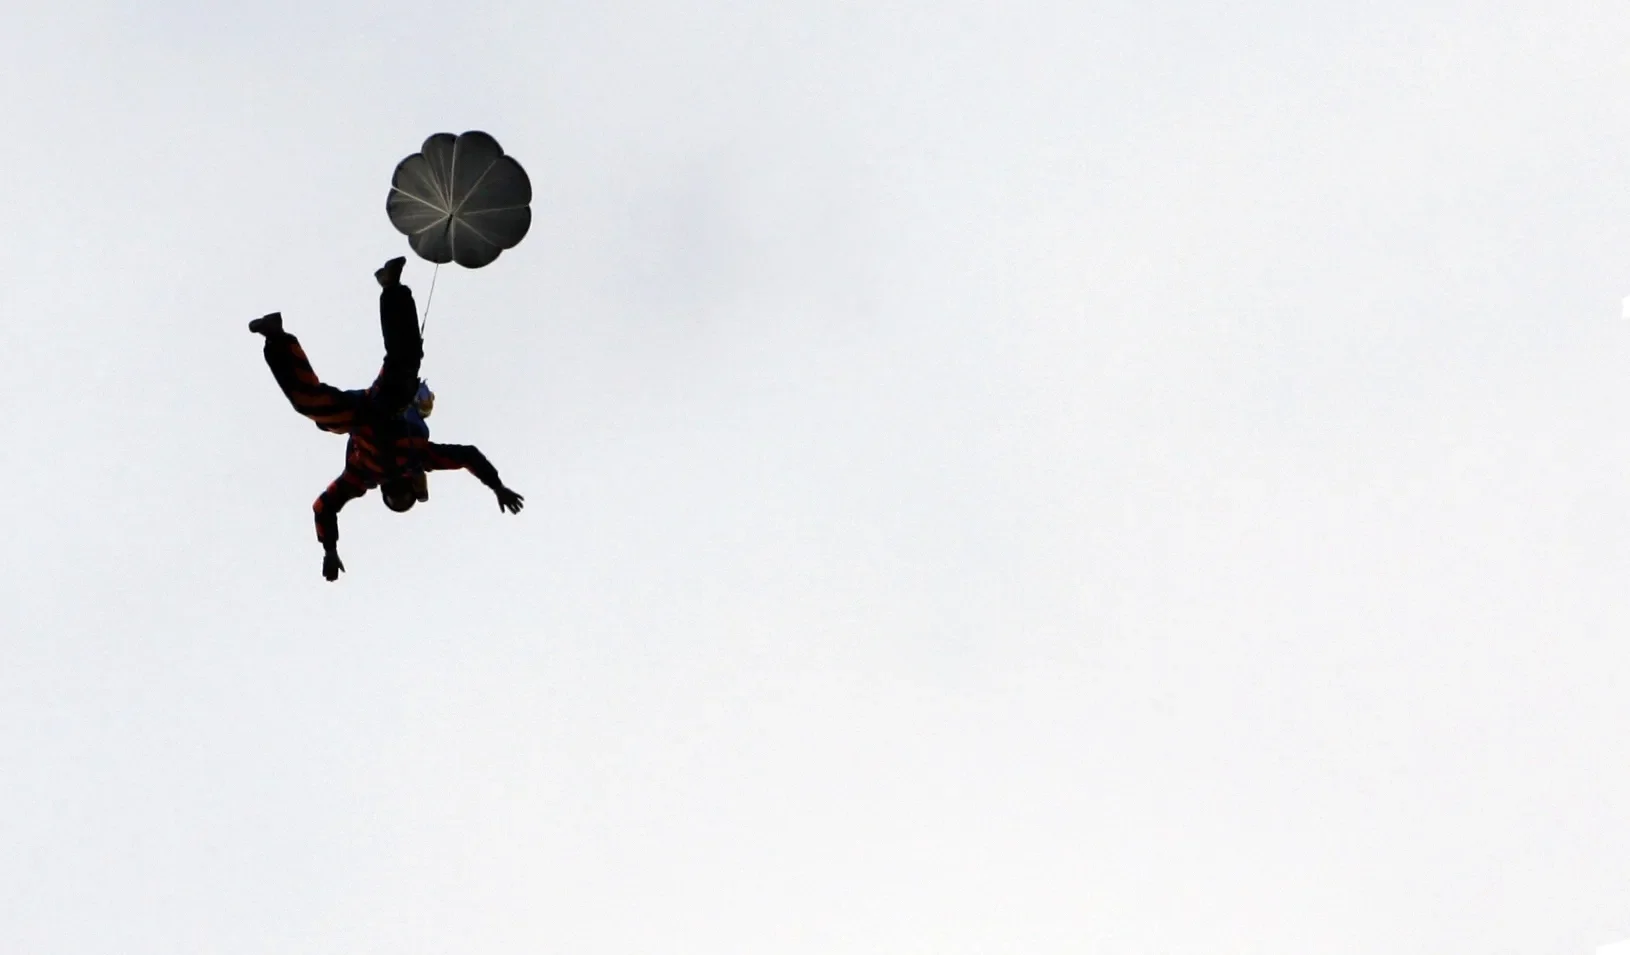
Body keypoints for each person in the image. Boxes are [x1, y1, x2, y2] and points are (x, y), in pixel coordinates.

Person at [250, 256, 524, 581]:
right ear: (409, 483)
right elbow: (467, 455)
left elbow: (323, 507)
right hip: (388, 406)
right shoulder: (418, 458)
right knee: (405, 364)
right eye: (403, 494)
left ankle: (276, 337)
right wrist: (497, 485)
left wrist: (330, 549)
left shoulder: (361, 477)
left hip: (361, 416)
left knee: (313, 405)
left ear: (384, 493)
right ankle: (391, 287)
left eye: (394, 498)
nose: (397, 492)